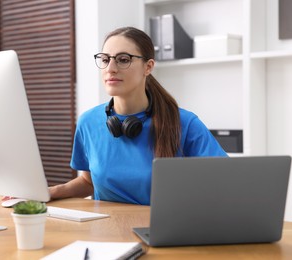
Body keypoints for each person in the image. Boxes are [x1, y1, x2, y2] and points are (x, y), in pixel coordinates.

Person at [49, 26, 227, 205]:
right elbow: (88, 182)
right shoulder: (88, 122)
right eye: (105, 60)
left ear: (148, 67)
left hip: (157, 230)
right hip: (103, 229)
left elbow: (223, 182)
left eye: (123, 60)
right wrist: (49, 192)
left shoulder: (185, 124)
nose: (110, 68)